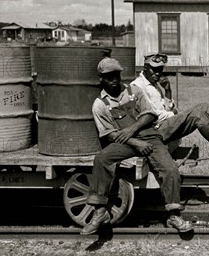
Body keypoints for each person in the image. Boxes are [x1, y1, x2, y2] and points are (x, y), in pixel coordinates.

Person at [81, 57, 192, 235]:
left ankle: (173, 215)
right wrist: (135, 142)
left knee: (170, 169)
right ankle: (100, 211)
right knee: (102, 158)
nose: (114, 80)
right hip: (125, 143)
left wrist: (132, 131)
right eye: (109, 77)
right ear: (101, 79)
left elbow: (150, 115)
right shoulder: (100, 105)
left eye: (116, 75)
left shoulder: (134, 90)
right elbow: (109, 134)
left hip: (150, 137)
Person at [131, 53, 209, 166]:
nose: (158, 73)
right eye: (154, 70)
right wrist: (174, 115)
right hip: (154, 131)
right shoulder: (138, 86)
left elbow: (170, 109)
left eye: (160, 69)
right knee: (199, 113)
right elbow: (152, 116)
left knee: (206, 107)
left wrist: (168, 92)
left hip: (165, 125)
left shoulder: (156, 84)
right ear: (145, 68)